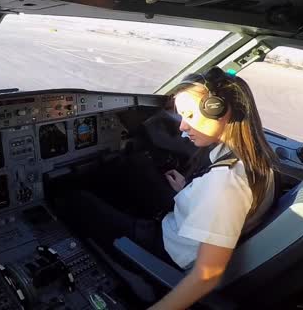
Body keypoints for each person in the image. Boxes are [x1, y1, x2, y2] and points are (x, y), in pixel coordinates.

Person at [55, 67, 276, 310]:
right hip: (185, 222)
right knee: (135, 166)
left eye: (190, 115)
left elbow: (206, 276)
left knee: (77, 201)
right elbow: (215, 205)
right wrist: (189, 190)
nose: (182, 126)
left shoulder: (224, 186)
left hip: (163, 248)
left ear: (220, 110)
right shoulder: (254, 158)